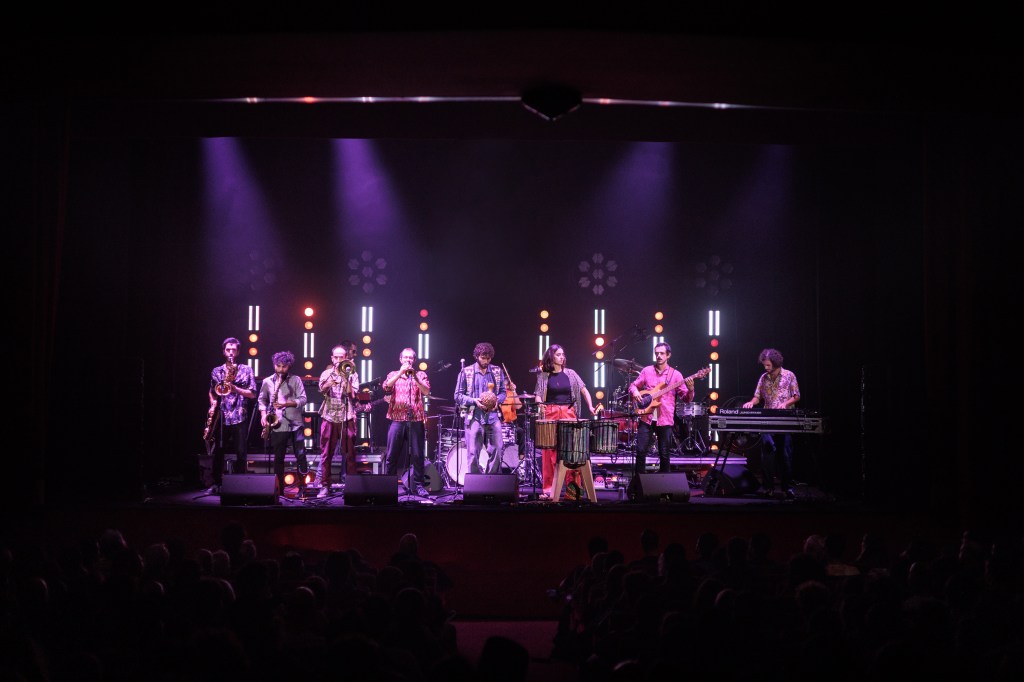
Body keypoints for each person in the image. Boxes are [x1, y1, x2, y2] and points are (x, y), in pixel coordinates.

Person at [533, 344, 596, 500]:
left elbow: (584, 390)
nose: (562, 357)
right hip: (551, 412)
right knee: (549, 452)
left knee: (571, 452)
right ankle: (548, 490)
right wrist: (540, 403)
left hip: (568, 412)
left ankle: (573, 491)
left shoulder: (571, 373)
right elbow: (538, 395)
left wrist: (590, 406)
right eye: (558, 354)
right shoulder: (543, 376)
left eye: (563, 354)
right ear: (551, 357)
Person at [628, 342, 694, 477]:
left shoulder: (676, 375)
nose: (658, 356)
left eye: (662, 353)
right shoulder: (647, 371)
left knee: (664, 453)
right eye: (656, 353)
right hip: (646, 417)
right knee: (640, 451)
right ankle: (639, 482)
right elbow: (633, 386)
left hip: (665, 419)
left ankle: (665, 483)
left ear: (668, 355)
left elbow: (686, 399)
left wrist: (691, 389)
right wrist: (635, 392)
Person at [742, 347, 800, 498]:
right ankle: (768, 487)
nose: (766, 367)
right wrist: (751, 402)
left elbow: (796, 396)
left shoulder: (789, 375)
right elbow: (757, 397)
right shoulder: (763, 378)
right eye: (764, 365)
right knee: (767, 453)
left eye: (768, 365)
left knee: (785, 454)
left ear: (776, 363)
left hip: (785, 419)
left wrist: (785, 404)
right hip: (767, 420)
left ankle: (787, 487)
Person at [205, 337, 257, 494]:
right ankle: (216, 483)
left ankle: (240, 483)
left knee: (241, 451)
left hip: (240, 414)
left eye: (234, 350)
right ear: (223, 351)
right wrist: (213, 404)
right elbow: (212, 391)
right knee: (218, 451)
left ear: (238, 352)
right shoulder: (217, 371)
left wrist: (235, 389)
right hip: (222, 415)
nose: (231, 353)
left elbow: (252, 394)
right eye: (228, 350)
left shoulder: (246, 370)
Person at [258, 350, 309, 495]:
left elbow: (303, 399)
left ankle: (303, 488)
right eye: (278, 366)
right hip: (278, 424)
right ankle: (279, 489)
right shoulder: (267, 381)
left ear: (289, 366)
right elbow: (261, 400)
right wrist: (263, 415)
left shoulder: (296, 380)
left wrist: (286, 404)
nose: (281, 369)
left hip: (296, 423)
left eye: (284, 366)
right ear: (274, 365)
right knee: (278, 458)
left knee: (301, 456)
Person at [383, 348, 432, 496]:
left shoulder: (421, 374)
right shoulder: (393, 374)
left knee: (417, 455)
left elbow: (426, 391)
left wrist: (415, 377)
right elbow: (386, 387)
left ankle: (419, 485)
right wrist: (400, 373)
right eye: (405, 357)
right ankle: (389, 486)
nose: (408, 360)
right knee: (392, 455)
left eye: (410, 358)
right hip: (397, 419)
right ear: (400, 359)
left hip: (415, 419)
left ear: (414, 360)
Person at [453, 342, 506, 476]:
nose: (486, 361)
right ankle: (475, 482)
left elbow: (503, 392)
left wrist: (497, 401)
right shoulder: (466, 372)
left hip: (493, 416)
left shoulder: (497, 371)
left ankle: (491, 480)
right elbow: (457, 396)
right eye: (483, 358)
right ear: (477, 356)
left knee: (498, 449)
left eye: (489, 358)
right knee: (472, 452)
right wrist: (474, 401)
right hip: (473, 415)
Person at [315, 344, 360, 497]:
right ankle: (325, 485)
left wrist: (345, 377)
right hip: (329, 414)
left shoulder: (352, 373)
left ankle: (352, 487)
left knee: (350, 453)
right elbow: (321, 390)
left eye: (342, 357)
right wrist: (330, 381)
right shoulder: (326, 373)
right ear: (332, 358)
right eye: (336, 357)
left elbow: (352, 395)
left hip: (346, 415)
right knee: (326, 452)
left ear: (346, 358)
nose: (339, 360)